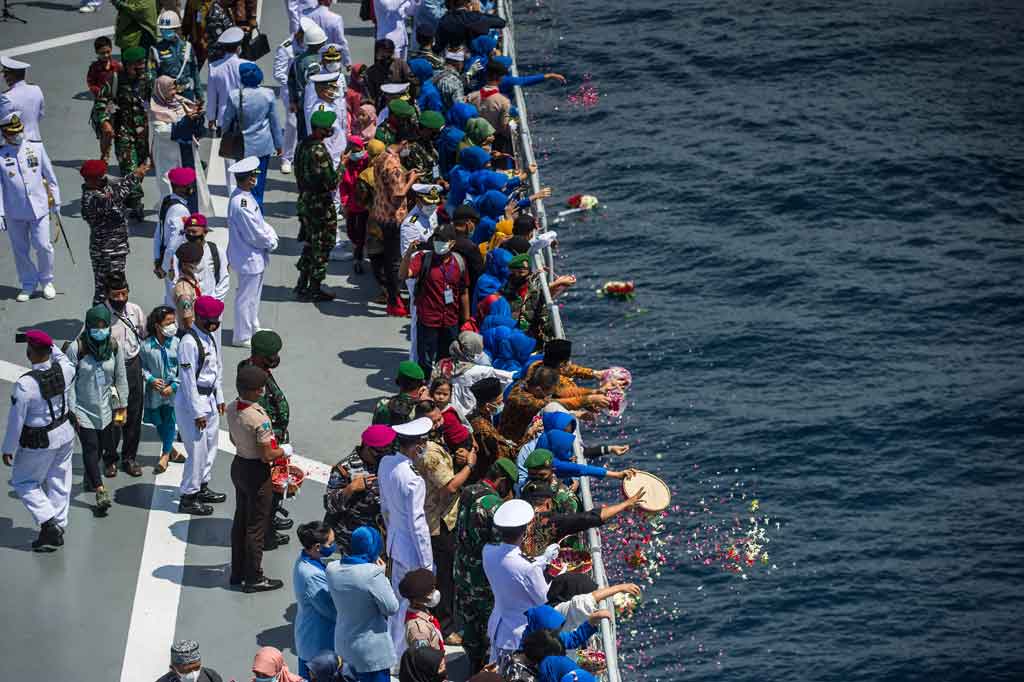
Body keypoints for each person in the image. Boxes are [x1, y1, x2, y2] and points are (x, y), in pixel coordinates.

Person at [2, 330, 75, 551]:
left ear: (30, 352)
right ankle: (58, 525)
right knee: (59, 478)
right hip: (65, 433)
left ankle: (48, 522)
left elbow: (16, 421)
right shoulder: (66, 369)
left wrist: (8, 448)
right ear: (50, 350)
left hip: (40, 441)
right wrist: (50, 344)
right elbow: (61, 357)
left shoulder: (26, 385)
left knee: (23, 481)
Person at [412, 400, 475, 640]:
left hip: (444, 516)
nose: (440, 423)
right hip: (439, 520)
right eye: (435, 421)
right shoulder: (429, 453)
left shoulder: (433, 442)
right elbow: (450, 486)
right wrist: (469, 466)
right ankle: (446, 627)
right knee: (445, 576)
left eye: (440, 418)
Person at [452, 458, 518, 673]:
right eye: (508, 486)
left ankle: (472, 666)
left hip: (462, 569)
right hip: (482, 577)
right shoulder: (493, 505)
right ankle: (486, 671)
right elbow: (501, 544)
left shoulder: (469, 491)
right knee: (490, 627)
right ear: (501, 481)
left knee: (469, 623)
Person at [226, 365, 287, 592]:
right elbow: (267, 455)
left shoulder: (232, 408)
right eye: (260, 388)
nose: (263, 391)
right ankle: (254, 577)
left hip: (239, 465)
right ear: (252, 391)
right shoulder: (259, 419)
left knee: (240, 520)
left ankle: (237, 572)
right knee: (256, 527)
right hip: (256, 473)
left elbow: (233, 440)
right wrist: (284, 450)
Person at [378, 416, 434, 655]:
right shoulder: (413, 480)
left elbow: (385, 507)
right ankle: (400, 656)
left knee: (397, 600)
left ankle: (393, 649)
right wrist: (427, 564)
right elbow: (418, 525)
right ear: (417, 446)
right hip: (411, 551)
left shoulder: (386, 463)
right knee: (410, 605)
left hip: (395, 542)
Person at [66, 304, 129, 515]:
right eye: (96, 326)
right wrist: (72, 410)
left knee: (103, 447)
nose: (100, 330)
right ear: (88, 325)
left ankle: (90, 476)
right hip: (82, 409)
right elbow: (69, 382)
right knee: (91, 447)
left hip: (107, 408)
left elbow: (120, 377)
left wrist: (122, 406)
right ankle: (100, 490)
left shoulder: (114, 347)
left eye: (104, 326)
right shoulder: (76, 348)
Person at [483, 499, 555, 665]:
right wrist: (558, 575)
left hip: (498, 626)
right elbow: (543, 599)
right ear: (526, 529)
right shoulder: (528, 568)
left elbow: (510, 565)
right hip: (519, 635)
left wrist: (543, 559)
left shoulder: (488, 551)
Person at [176, 295, 227, 516]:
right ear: (199, 317)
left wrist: (220, 396)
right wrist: (197, 412)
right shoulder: (189, 343)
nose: (214, 324)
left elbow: (216, 368)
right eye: (210, 320)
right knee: (197, 451)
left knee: (210, 445)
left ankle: (202, 485)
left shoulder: (209, 336)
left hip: (210, 398)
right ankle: (188, 496)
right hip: (192, 403)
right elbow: (188, 381)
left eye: (216, 320)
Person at [327, 525, 399, 682]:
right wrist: (383, 575)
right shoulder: (372, 574)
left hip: (344, 646)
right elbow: (391, 608)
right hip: (370, 653)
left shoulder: (332, 569)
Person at [0, 112, 59, 303]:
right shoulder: (1, 155)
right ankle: (28, 283)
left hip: (38, 208)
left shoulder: (36, 148)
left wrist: (56, 202)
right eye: (13, 133)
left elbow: (50, 177)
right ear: (5, 134)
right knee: (20, 250)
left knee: (43, 245)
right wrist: (0, 213)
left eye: (19, 131)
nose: (17, 135)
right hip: (14, 210)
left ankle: (47, 280)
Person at [239, 330, 292, 531]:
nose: (275, 358)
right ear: (260, 356)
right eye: (272, 355)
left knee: (274, 484)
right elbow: (260, 414)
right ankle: (267, 528)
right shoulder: (254, 378)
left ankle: (270, 515)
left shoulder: (255, 370)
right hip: (268, 440)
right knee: (270, 484)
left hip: (274, 435)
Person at [91, 47, 152, 221]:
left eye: (142, 63)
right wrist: (105, 122)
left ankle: (128, 194)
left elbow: (157, 99)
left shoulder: (148, 79)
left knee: (141, 166)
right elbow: (100, 102)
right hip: (123, 131)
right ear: (127, 65)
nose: (140, 68)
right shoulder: (115, 79)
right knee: (129, 166)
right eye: (136, 65)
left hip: (143, 132)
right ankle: (136, 202)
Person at [519, 475, 645, 558]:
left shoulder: (517, 518)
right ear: (548, 503)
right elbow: (590, 518)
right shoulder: (551, 521)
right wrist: (625, 504)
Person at [226, 156, 279, 347]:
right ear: (248, 179)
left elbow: (260, 223)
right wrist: (271, 241)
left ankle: (252, 326)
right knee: (246, 298)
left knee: (253, 297)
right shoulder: (241, 204)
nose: (255, 179)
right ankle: (241, 336)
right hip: (248, 256)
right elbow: (254, 234)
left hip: (252, 256)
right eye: (253, 176)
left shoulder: (244, 197)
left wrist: (269, 233)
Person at [294, 109, 341, 301]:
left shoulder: (302, 145)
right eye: (327, 128)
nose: (330, 130)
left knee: (310, 243)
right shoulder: (319, 151)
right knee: (322, 245)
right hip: (320, 205)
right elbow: (331, 182)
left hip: (305, 200)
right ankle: (314, 287)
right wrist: (342, 166)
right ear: (319, 130)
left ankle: (302, 283)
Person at [323, 424, 393, 552]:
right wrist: (351, 488)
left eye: (387, 450)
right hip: (351, 537)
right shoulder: (345, 468)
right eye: (379, 452)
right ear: (366, 446)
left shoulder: (387, 461)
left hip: (380, 534)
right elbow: (329, 505)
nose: (383, 455)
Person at [222, 64, 283, 207]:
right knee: (258, 183)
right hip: (263, 147)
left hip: (242, 147)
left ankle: (245, 211)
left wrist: (225, 136)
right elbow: (274, 122)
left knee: (244, 184)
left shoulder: (234, 95)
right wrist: (279, 144)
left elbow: (227, 121)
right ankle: (258, 212)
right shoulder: (268, 94)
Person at [374, 130, 421, 317]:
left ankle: (392, 296)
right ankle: (394, 301)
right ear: (404, 142)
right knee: (394, 261)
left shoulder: (382, 156)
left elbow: (388, 183)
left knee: (388, 257)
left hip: (381, 212)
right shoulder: (394, 165)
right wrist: (411, 180)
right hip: (393, 217)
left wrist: (404, 176)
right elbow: (398, 195)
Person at [149, 75, 212, 213]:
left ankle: (191, 214)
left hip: (186, 149)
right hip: (167, 154)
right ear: (162, 90)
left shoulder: (181, 102)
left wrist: (197, 117)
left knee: (190, 181)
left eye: (174, 88)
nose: (174, 92)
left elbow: (193, 123)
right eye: (171, 89)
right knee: (169, 185)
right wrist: (186, 121)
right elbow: (162, 131)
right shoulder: (155, 108)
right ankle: (170, 215)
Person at [104, 273, 146, 477]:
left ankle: (129, 458)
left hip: (133, 366)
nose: (120, 298)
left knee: (134, 416)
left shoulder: (135, 310)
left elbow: (144, 334)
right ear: (107, 294)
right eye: (115, 295)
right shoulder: (100, 315)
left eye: (124, 293)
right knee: (114, 418)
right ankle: (110, 459)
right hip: (112, 371)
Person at [140, 305, 183, 474]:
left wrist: (174, 386)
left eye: (174, 322)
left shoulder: (178, 344)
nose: (172, 326)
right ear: (157, 325)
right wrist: (150, 379)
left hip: (173, 393)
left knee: (170, 420)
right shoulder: (146, 346)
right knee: (158, 421)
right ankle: (171, 450)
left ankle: (165, 456)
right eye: (168, 323)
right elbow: (142, 367)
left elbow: (183, 369)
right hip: (154, 393)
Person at [294, 523, 339, 677]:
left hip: (312, 635)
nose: (334, 546)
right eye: (331, 543)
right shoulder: (311, 575)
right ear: (318, 547)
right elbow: (331, 610)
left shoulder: (306, 559)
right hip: (317, 642)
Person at [154, 167, 197, 302]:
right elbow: (174, 244)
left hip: (166, 258)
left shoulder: (167, 201)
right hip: (175, 263)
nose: (191, 187)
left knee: (170, 296)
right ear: (178, 188)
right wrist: (164, 267)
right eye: (187, 185)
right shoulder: (180, 209)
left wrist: (157, 259)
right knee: (177, 299)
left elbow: (158, 233)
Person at [151, 11, 204, 103]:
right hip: (167, 96)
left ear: (176, 29)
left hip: (187, 94)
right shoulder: (155, 50)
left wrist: (199, 95)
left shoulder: (187, 47)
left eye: (168, 29)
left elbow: (194, 72)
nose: (165, 32)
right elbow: (152, 76)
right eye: (163, 29)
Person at [288, 18, 328, 141]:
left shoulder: (298, 60)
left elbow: (291, 81)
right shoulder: (323, 60)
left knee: (303, 136)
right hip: (320, 103)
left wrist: (293, 101)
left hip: (302, 103)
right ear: (320, 44)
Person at [87, 39, 123, 159]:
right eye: (102, 53)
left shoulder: (117, 66)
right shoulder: (94, 68)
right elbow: (91, 83)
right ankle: (105, 155)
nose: (106, 55)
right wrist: (100, 93)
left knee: (118, 131)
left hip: (116, 103)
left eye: (108, 52)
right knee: (106, 131)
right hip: (102, 104)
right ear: (97, 52)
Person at [340, 134, 371, 272]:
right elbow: (343, 186)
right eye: (352, 149)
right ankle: (357, 247)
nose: (355, 152)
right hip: (352, 204)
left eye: (356, 148)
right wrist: (345, 203)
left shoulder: (368, 161)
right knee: (351, 230)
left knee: (362, 232)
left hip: (365, 205)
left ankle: (358, 257)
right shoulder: (347, 164)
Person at [466, 62, 512, 153]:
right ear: (500, 78)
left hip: (473, 140)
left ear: (487, 76)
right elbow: (503, 126)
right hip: (494, 142)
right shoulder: (504, 101)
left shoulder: (471, 97)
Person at [273, 30, 302, 173]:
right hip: (290, 91)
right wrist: (295, 82)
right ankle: (287, 158)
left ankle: (302, 155)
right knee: (292, 124)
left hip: (308, 89)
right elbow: (278, 73)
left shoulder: (310, 43)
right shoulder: (285, 48)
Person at [432, 0, 506, 54]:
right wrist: (477, 12)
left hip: (453, 59)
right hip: (475, 57)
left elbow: (438, 46)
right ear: (469, 4)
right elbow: (501, 23)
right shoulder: (475, 17)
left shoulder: (444, 20)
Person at [400, 568, 444, 651]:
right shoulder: (419, 630)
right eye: (430, 593)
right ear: (416, 600)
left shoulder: (422, 611)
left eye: (434, 588)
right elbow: (423, 656)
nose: (434, 594)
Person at [0, 58, 44, 142]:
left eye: (6, 73)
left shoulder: (6, 97)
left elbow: (5, 124)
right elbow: (40, 115)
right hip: (37, 142)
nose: (4, 76)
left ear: (13, 75)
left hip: (18, 145)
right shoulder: (36, 89)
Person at [365, 39, 417, 109]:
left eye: (389, 55)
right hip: (382, 106)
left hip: (400, 104)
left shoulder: (401, 65)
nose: (386, 59)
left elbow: (412, 83)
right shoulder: (371, 71)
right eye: (383, 56)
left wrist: (409, 100)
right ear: (377, 53)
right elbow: (370, 93)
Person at [372, 360, 427, 425]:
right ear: (421, 385)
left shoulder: (382, 404)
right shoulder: (424, 408)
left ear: (398, 382)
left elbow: (374, 427)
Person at [307, 0, 353, 68]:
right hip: (331, 60)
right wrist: (347, 62)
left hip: (312, 60)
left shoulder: (308, 16)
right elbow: (341, 41)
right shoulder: (336, 18)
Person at [155, 640, 224, 682]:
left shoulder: (210, 676)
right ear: (173, 668)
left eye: (197, 667)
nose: (194, 673)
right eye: (188, 670)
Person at [172, 241, 203, 330]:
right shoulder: (184, 290)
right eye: (196, 262)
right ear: (185, 265)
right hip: (190, 332)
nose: (199, 264)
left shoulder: (192, 281)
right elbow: (187, 320)